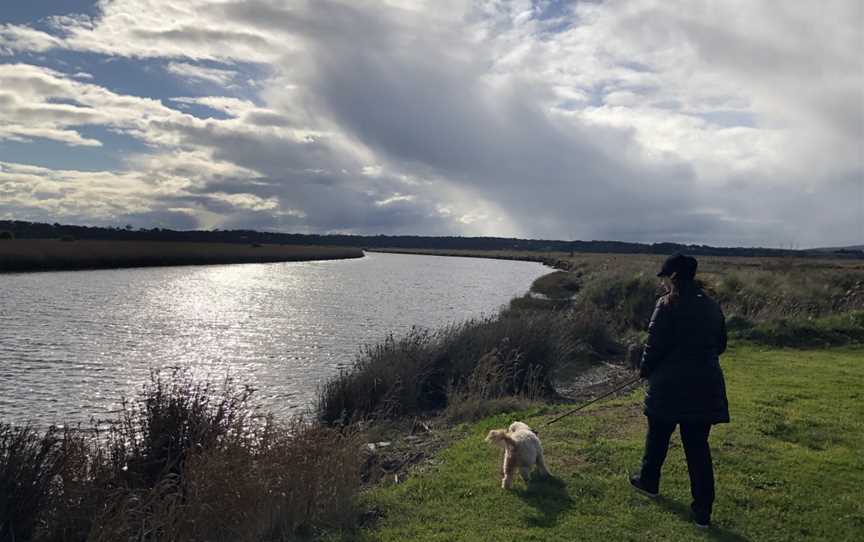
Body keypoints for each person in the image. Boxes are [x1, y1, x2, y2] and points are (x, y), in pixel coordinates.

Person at [629, 253, 729, 529]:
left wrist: (644, 370)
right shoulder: (711, 306)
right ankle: (702, 512)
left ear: (673, 278)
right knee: (698, 449)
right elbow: (720, 346)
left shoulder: (666, 305)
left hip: (669, 387)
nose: (662, 283)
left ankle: (649, 483)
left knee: (658, 437)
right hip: (705, 386)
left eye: (664, 278)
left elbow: (653, 347)